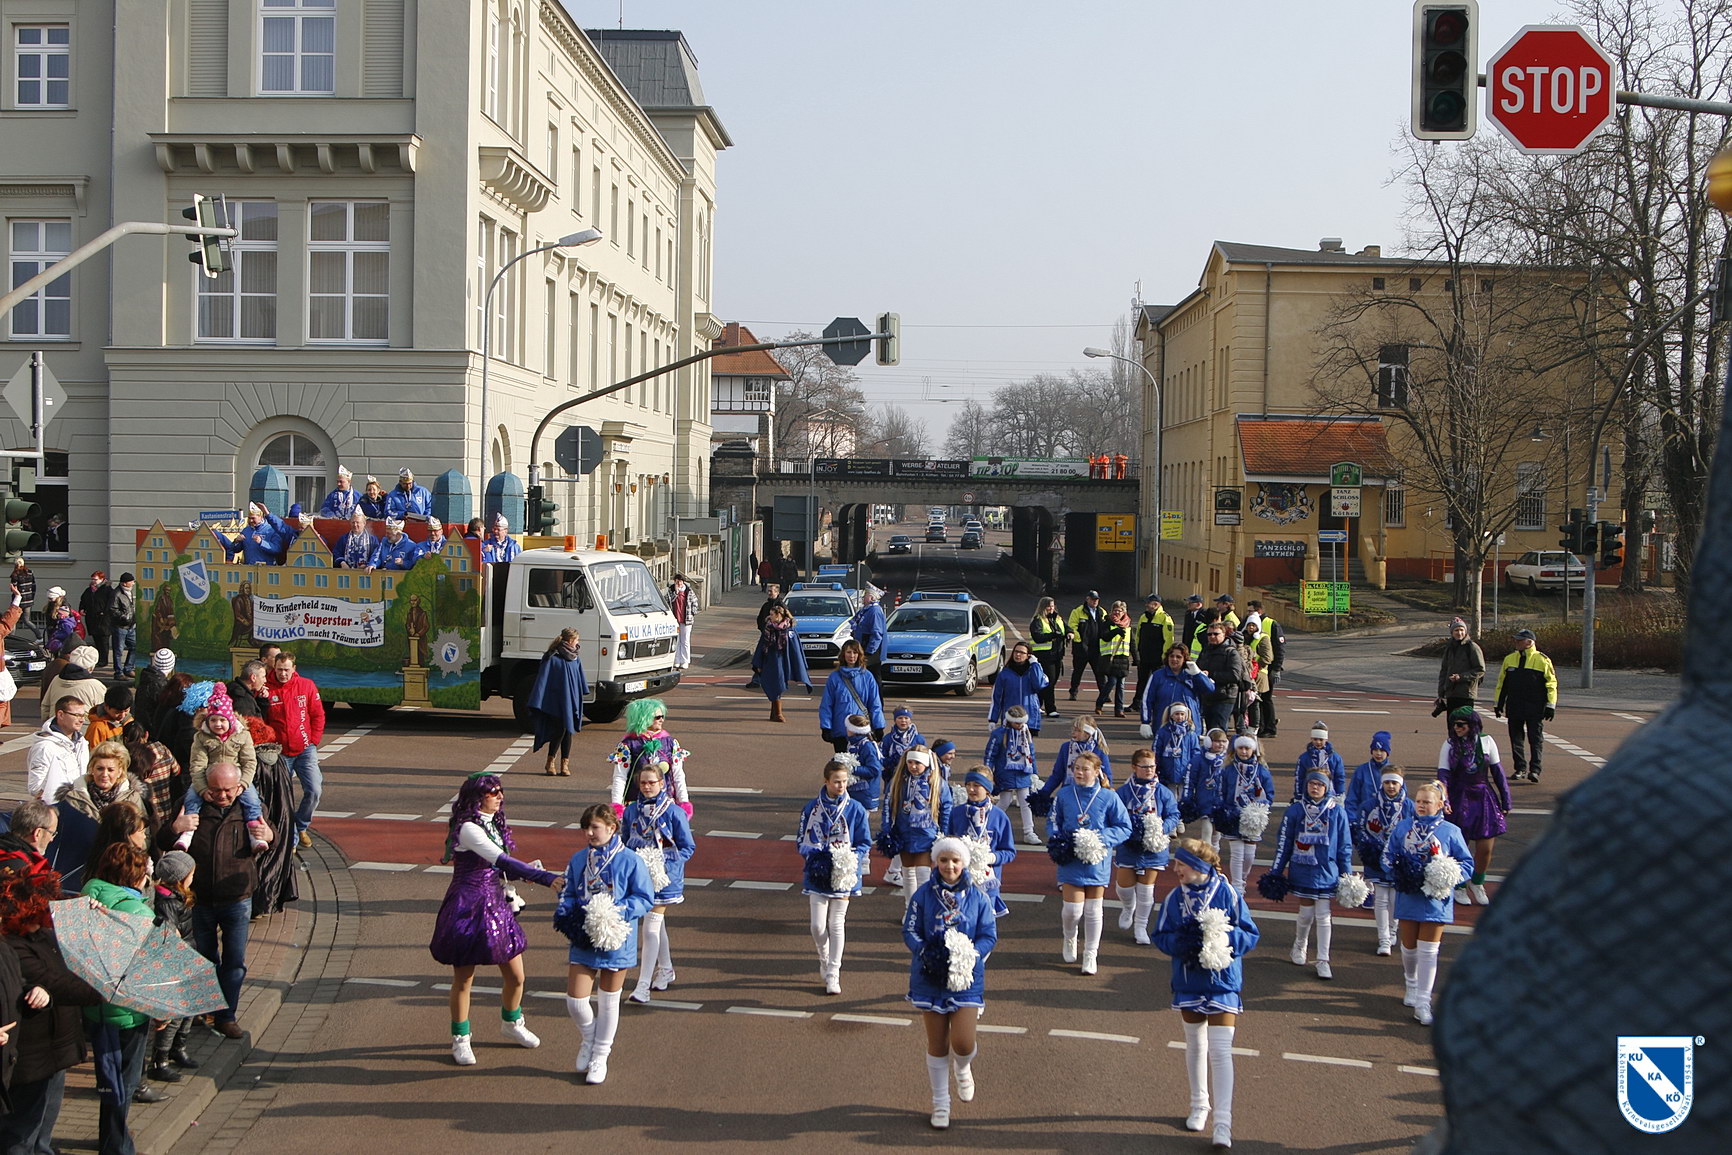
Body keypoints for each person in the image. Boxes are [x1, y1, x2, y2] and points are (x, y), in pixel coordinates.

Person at [428, 773, 562, 1066]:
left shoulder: (492, 824)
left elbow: (501, 868)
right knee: (464, 979)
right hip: (467, 905)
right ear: (477, 797)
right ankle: (460, 1038)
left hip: (496, 903)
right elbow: (500, 859)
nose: (500, 796)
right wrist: (546, 878)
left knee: (516, 976)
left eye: (501, 791)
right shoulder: (468, 828)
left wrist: (525, 873)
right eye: (493, 792)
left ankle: (512, 1022)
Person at [1153, 837, 1261, 1149]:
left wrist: (1222, 939)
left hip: (1223, 982)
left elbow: (1250, 934)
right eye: (1175, 863)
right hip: (1188, 981)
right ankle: (1199, 1104)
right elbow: (1160, 935)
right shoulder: (1174, 898)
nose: (1175, 869)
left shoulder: (1228, 893)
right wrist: (1183, 943)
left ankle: (1223, 1124)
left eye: (1181, 864)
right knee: (1195, 1044)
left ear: (1198, 866)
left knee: (1222, 1051)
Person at [0, 849, 104, 1154]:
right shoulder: (13, 947)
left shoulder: (42, 937)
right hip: (31, 1059)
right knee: (20, 1135)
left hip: (55, 1052)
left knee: (40, 1133)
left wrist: (91, 920)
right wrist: (105, 986)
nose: (50, 911)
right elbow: (64, 984)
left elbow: (71, 963)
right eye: (44, 906)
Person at [554, 803, 655, 1085]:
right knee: (576, 1001)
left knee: (609, 1001)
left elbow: (644, 898)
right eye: (585, 828)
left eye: (594, 827)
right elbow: (569, 892)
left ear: (611, 828)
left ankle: (600, 1055)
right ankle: (589, 1038)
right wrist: (567, 912)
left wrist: (615, 912)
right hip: (585, 936)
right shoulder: (578, 859)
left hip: (616, 937)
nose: (589, 833)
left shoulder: (631, 860)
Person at [902, 836, 997, 1131]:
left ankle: (963, 1067)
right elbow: (910, 930)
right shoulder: (923, 895)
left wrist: (968, 954)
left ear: (963, 863)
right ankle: (940, 1103)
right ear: (936, 862)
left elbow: (989, 935)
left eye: (955, 860)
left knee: (963, 1043)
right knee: (937, 1042)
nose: (949, 866)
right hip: (929, 977)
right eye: (944, 860)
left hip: (966, 978)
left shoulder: (978, 896)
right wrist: (926, 953)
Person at [157, 763, 256, 1040]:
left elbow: (270, 835)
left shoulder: (249, 807)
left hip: (237, 897)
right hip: (198, 898)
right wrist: (175, 828)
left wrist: (269, 836)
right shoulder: (189, 805)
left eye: (228, 790)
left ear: (239, 787)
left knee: (234, 961)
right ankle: (205, 1009)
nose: (222, 795)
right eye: (215, 790)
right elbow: (162, 840)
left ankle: (226, 1017)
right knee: (203, 958)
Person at [79, 843, 156, 1153]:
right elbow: (149, 966)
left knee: (107, 1078)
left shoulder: (86, 897)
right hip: (129, 1010)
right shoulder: (138, 912)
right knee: (124, 1081)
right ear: (134, 876)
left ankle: (111, 1137)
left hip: (95, 1005)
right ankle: (116, 1144)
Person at [1381, 780, 1473, 1025]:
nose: (1421, 806)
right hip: (1409, 895)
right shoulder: (1403, 827)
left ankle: (1423, 1002)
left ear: (1440, 804)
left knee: (1429, 951)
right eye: (1419, 801)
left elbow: (1467, 864)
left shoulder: (1451, 831)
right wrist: (1399, 873)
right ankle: (1411, 984)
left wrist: (1446, 877)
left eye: (1427, 802)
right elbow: (1387, 856)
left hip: (1436, 899)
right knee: (1409, 947)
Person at [1045, 750, 1131, 975]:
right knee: (1072, 910)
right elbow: (1053, 821)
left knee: (1093, 910)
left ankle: (1091, 954)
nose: (1080, 773)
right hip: (1070, 858)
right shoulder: (1064, 794)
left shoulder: (1109, 797)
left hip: (1096, 860)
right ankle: (1069, 937)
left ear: (1096, 771)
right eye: (1076, 768)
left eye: (1085, 769)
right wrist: (1059, 840)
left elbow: (1124, 827)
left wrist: (1100, 839)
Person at [1266, 768, 1356, 980]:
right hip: (1303, 870)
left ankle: (1323, 960)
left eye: (1320, 784)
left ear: (1327, 787)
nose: (1315, 787)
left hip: (1327, 871)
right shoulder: (1295, 810)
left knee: (1324, 915)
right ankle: (1299, 944)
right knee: (1306, 914)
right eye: (1312, 783)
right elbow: (1284, 843)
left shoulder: (1337, 812)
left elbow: (1344, 846)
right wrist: (1276, 871)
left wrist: (1347, 876)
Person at [798, 756, 873, 995]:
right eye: (837, 781)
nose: (841, 786)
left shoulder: (856, 809)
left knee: (836, 923)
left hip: (844, 873)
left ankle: (833, 972)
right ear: (826, 781)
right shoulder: (811, 808)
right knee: (817, 925)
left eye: (844, 781)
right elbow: (801, 840)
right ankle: (824, 958)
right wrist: (815, 856)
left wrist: (849, 858)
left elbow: (864, 842)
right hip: (818, 872)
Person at [622, 763, 697, 1004]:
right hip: (639, 876)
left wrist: (662, 861)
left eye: (651, 782)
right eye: (643, 783)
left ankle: (642, 985)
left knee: (650, 927)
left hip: (664, 879)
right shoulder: (631, 811)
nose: (646, 787)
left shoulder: (674, 812)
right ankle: (665, 968)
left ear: (662, 784)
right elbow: (624, 841)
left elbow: (688, 847)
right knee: (657, 924)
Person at [1436, 707, 1511, 907]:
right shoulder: (1449, 744)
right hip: (1459, 798)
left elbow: (1498, 772)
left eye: (1461, 724)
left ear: (1472, 725)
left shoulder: (1487, 741)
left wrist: (1506, 800)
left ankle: (1477, 882)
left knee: (1486, 847)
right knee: (1461, 846)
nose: (1456, 728)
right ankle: (1460, 884)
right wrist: (1445, 799)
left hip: (1483, 797)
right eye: (1454, 724)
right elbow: (1443, 775)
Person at [1114, 748, 1181, 944]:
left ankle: (1141, 927)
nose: (1149, 770)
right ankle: (1128, 907)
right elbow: (1115, 815)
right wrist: (1127, 830)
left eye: (1152, 766)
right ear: (1134, 767)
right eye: (1144, 767)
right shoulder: (1123, 792)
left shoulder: (1163, 792)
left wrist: (1160, 829)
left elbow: (1174, 815)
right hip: (1129, 846)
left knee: (1146, 890)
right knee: (1124, 887)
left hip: (1154, 847)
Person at [145, 851, 200, 1088]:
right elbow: (169, 933)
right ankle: (160, 1060)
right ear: (181, 877)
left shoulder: (178, 896)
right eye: (191, 874)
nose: (193, 878)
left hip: (187, 957)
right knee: (174, 1014)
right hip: (175, 963)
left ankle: (179, 1047)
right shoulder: (167, 901)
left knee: (190, 1008)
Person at [264, 651, 325, 852]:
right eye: (279, 670)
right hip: (280, 752)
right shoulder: (266, 689)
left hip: (305, 749)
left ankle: (301, 826)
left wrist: (313, 741)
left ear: (294, 669)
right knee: (284, 796)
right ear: (274, 668)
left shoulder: (306, 686)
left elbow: (317, 715)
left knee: (314, 790)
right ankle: (291, 838)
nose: (283, 674)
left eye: (286, 670)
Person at [881, 746, 951, 909]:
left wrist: (943, 834)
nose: (913, 766)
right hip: (904, 832)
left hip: (927, 834)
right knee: (908, 872)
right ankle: (910, 908)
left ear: (927, 763)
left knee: (923, 873)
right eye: (910, 762)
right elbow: (887, 807)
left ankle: (923, 909)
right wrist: (887, 829)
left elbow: (946, 809)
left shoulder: (937, 783)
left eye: (917, 763)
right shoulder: (898, 782)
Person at [1355, 767, 1413, 956]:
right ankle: (1384, 939)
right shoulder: (1369, 805)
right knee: (1380, 899)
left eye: (1394, 783)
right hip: (1376, 859)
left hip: (1398, 860)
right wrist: (1371, 848)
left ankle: (1392, 930)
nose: (1390, 786)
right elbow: (1360, 829)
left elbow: (1414, 832)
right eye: (1387, 782)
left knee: (1395, 900)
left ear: (1401, 784)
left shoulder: (1409, 806)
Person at [944, 767, 1016, 918]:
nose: (971, 789)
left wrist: (991, 857)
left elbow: (1009, 852)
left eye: (976, 785)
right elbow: (947, 843)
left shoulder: (999, 817)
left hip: (988, 883)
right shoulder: (956, 813)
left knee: (985, 926)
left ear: (987, 789)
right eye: (968, 784)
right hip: (959, 882)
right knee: (959, 924)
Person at [1493, 627, 1557, 783]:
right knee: (1516, 738)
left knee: (1535, 739)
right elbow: (1502, 683)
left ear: (1530, 642)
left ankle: (1535, 769)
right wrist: (1498, 703)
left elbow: (1551, 684)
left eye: (1519, 640)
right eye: (1516, 639)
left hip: (1535, 707)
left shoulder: (1542, 660)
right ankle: (1520, 768)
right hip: (1515, 705)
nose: (1516, 642)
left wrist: (1551, 705)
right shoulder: (1509, 659)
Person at [606, 700, 692, 815]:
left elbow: (678, 776)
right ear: (644, 718)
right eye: (657, 717)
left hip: (665, 805)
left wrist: (684, 802)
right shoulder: (628, 745)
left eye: (662, 716)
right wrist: (617, 806)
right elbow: (620, 777)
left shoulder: (670, 743)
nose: (662, 720)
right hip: (636, 805)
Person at [1218, 733, 1276, 898]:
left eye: (1247, 748)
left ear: (1254, 750)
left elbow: (1269, 794)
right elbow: (1221, 791)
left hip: (1253, 818)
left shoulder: (1262, 771)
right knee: (1237, 853)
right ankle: (1237, 886)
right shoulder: (1228, 769)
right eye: (1240, 748)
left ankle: (1242, 879)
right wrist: (1223, 810)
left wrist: (1260, 810)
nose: (1243, 752)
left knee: (1249, 855)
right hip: (1233, 816)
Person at [527, 628, 587, 776]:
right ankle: (551, 761)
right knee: (561, 729)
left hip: (570, 700)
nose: (578, 643)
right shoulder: (552, 657)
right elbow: (543, 680)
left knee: (568, 731)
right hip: (555, 701)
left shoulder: (575, 658)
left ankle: (564, 763)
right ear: (570, 641)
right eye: (577, 640)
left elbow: (579, 679)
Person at [1030, 716, 1115, 814]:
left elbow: (1106, 775)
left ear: (1087, 733)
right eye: (1073, 729)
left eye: (1078, 730)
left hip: (1092, 795)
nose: (1073, 733)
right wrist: (1044, 793)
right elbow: (1058, 774)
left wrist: (1108, 793)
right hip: (1069, 792)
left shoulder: (1098, 749)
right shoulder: (1066, 747)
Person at [983, 706, 1040, 846]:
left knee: (1026, 802)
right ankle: (988, 825)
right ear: (1009, 721)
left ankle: (1029, 832)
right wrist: (988, 773)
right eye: (1017, 723)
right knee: (1005, 801)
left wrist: (1034, 772)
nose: (1020, 725)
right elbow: (990, 754)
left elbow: (1031, 753)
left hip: (1023, 772)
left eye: (1022, 723)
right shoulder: (999, 734)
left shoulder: (1026, 733)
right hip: (1005, 772)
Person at [1139, 643, 1215, 741]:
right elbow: (1147, 699)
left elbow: (1210, 689)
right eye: (1172, 656)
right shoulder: (1158, 676)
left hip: (1190, 729)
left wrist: (1198, 674)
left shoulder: (1193, 675)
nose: (1174, 659)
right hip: (1164, 727)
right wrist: (1145, 722)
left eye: (1178, 657)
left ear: (1185, 659)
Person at [819, 640, 884, 753]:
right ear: (843, 654)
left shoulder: (867, 677)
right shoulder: (834, 677)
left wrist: (879, 726)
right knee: (842, 762)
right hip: (840, 730)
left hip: (861, 729)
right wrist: (826, 727)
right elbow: (827, 704)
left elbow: (875, 704)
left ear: (859, 655)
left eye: (855, 652)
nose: (852, 656)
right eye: (849, 652)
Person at [1343, 731, 1395, 870]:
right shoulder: (1362, 770)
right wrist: (1352, 820)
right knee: (1370, 860)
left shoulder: (1393, 772)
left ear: (1388, 752)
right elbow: (1352, 797)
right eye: (1375, 750)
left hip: (1388, 823)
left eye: (1382, 750)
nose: (1378, 753)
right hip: (1366, 822)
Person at [751, 604, 810, 724]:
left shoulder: (789, 630)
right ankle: (775, 713)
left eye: (772, 615)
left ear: (779, 615)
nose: (770, 617)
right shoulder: (768, 628)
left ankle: (777, 713)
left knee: (778, 684)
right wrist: (758, 663)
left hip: (783, 661)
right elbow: (761, 646)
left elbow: (795, 649)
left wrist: (796, 664)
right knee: (772, 684)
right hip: (769, 661)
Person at [26, 696, 89, 804]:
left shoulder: (81, 742)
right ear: (60, 715)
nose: (82, 720)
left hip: (79, 804)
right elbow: (35, 787)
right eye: (77, 715)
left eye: (83, 715)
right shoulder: (45, 747)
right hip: (56, 806)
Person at [1194, 621, 1248, 733]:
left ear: (1224, 634)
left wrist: (1211, 674)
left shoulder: (1231, 652)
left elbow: (1234, 676)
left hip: (1225, 697)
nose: (1212, 636)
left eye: (1216, 634)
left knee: (1218, 730)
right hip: (1208, 696)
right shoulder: (1206, 650)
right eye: (1209, 634)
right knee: (1210, 731)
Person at [988, 641, 1048, 736]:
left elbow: (1039, 685)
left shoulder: (1034, 670)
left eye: (1022, 652)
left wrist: (1035, 665)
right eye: (1016, 651)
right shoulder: (1004, 674)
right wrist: (993, 719)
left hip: (1030, 719)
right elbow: (997, 698)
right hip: (1010, 719)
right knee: (1009, 745)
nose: (1018, 654)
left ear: (1028, 655)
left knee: (1027, 745)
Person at [1435, 616, 1485, 724]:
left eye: (1462, 630)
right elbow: (1444, 671)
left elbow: (1480, 670)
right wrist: (1441, 693)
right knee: (1452, 725)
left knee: (1464, 725)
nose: (1459, 633)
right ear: (1452, 632)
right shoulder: (1449, 648)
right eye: (1456, 630)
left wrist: (1461, 677)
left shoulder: (1472, 647)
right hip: (1451, 693)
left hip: (1466, 693)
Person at [1245, 600, 1285, 737]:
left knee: (1266, 699)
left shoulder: (1272, 624)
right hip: (1254, 671)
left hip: (1265, 669)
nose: (1248, 613)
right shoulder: (1248, 623)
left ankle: (1270, 728)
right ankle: (1261, 726)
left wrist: (1276, 669)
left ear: (1259, 611)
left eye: (1251, 611)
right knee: (1257, 700)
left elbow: (1279, 649)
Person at [215, 504, 297, 565]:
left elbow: (277, 549)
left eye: (253, 518)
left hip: (266, 569)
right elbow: (235, 549)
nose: (250, 521)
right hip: (248, 569)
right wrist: (236, 542)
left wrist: (262, 542)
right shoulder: (246, 530)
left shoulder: (271, 530)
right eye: (249, 518)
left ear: (261, 517)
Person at [1133, 594, 1174, 712]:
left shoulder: (1165, 618)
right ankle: (1137, 703)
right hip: (1145, 655)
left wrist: (1165, 656)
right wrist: (1137, 651)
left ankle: (1157, 705)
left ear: (1156, 604)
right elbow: (1138, 635)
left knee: (1158, 682)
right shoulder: (1143, 617)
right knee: (1142, 680)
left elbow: (1168, 639)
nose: (1146, 605)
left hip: (1158, 657)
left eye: (1149, 603)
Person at [1027, 596, 1067, 718]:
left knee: (1049, 682)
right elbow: (1037, 637)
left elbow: (1066, 628)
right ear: (1043, 607)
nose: (1051, 608)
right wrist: (1053, 635)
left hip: (1057, 655)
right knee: (1049, 682)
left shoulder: (1057, 618)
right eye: (1049, 606)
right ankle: (1051, 708)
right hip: (1044, 656)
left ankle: (1037, 704)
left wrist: (1069, 633)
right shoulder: (1037, 621)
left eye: (1053, 606)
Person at [1153, 701, 1204, 797]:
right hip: (1167, 769)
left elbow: (1196, 751)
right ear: (1171, 715)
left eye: (1182, 714)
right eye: (1176, 714)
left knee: (1184, 795)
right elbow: (1156, 749)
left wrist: (1194, 767)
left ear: (1186, 716)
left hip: (1185, 769)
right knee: (1169, 795)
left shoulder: (1190, 733)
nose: (1179, 717)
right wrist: (1156, 765)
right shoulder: (1163, 731)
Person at [41, 645, 105, 716]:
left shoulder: (56, 679)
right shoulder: (95, 686)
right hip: (83, 722)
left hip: (57, 721)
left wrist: (49, 720)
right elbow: (104, 712)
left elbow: (45, 706)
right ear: (91, 668)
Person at [1065, 590, 1106, 702]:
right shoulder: (1078, 611)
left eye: (1096, 599)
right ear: (1087, 599)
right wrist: (1080, 642)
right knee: (1077, 672)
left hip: (1096, 648)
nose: (1095, 601)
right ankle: (1073, 692)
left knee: (1100, 673)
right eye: (1093, 599)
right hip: (1081, 648)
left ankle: (1104, 694)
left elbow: (1105, 627)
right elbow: (1072, 627)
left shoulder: (1102, 612)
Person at [1293, 720, 1347, 799]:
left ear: (1326, 739)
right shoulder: (1304, 758)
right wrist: (1298, 795)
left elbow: (1339, 777)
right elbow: (1299, 778)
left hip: (1330, 795)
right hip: (1309, 794)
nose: (1318, 742)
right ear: (1311, 739)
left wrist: (1340, 794)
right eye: (1315, 739)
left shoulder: (1335, 758)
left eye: (1321, 740)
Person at [847, 586, 888, 682]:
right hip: (863, 647)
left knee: (872, 677)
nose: (863, 597)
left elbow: (877, 633)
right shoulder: (867, 610)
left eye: (865, 595)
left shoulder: (875, 611)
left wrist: (869, 651)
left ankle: (875, 692)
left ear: (871, 597)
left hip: (870, 651)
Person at [79, 572, 114, 671]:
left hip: (104, 620)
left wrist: (104, 612)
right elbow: (83, 601)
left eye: (95, 579)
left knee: (103, 641)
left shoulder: (107, 590)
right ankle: (98, 659)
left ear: (102, 579)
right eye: (92, 579)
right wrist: (82, 609)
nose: (93, 581)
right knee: (96, 640)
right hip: (92, 619)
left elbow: (110, 604)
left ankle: (104, 660)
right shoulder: (89, 590)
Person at [664, 573, 697, 670]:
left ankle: (685, 660)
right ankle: (677, 660)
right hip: (675, 619)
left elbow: (695, 602)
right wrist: (676, 592)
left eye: (681, 582)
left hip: (686, 619)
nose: (679, 584)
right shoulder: (671, 590)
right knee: (677, 641)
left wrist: (692, 613)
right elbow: (667, 601)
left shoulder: (688, 591)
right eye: (677, 582)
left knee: (685, 640)